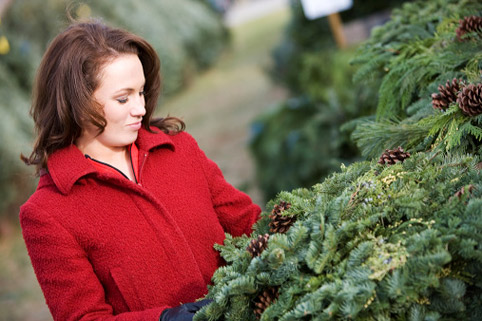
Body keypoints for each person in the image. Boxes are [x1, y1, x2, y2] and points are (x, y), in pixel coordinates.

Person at [19, 19, 261, 321]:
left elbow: (251, 225)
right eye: (123, 98)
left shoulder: (180, 150)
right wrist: (167, 319)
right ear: (76, 103)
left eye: (141, 92)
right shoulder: (48, 214)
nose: (141, 109)